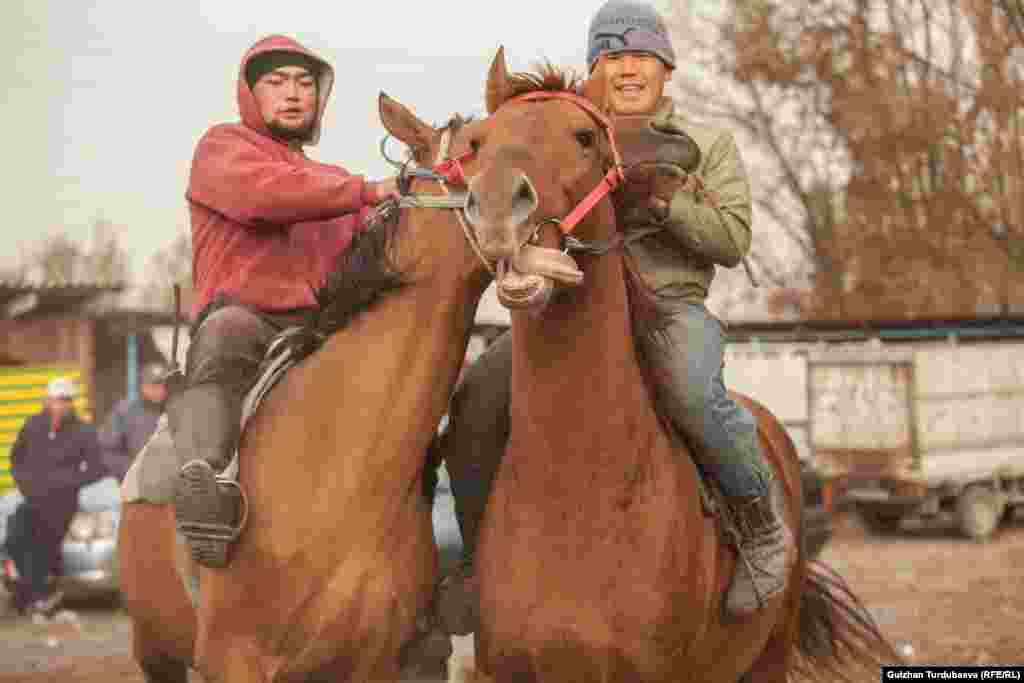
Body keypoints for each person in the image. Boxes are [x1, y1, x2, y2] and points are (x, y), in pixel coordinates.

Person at [441, 0, 792, 621]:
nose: (627, 70)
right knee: (477, 397)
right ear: (594, 71)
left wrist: (660, 203)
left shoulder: (706, 144)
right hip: (572, 309)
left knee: (689, 388)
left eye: (641, 57)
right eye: (612, 58)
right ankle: (475, 560)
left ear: (667, 67)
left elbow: (733, 241)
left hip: (668, 307)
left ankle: (762, 528)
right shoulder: (569, 132)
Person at [170, 34, 400, 568]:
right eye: (275, 82)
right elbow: (266, 196)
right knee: (227, 332)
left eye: (304, 83)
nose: (293, 93)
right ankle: (206, 480)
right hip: (247, 317)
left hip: (324, 329)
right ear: (250, 94)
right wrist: (369, 191)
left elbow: (381, 246)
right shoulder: (222, 148)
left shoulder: (338, 181)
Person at [7, 377, 104, 616]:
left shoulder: (83, 431)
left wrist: (68, 481)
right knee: (15, 537)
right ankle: (36, 593)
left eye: (64, 400)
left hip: (62, 502)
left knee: (44, 542)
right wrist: (25, 484)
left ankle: (36, 596)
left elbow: (96, 467)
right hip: (33, 498)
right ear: (46, 401)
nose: (58, 405)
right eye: (54, 400)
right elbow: (16, 459)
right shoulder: (32, 426)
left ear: (71, 403)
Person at [98, 362, 170, 481]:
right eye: (154, 385)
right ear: (142, 386)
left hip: (172, 487)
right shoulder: (125, 411)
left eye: (163, 385)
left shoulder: (177, 411)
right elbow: (106, 449)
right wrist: (132, 470)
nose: (159, 389)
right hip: (136, 488)